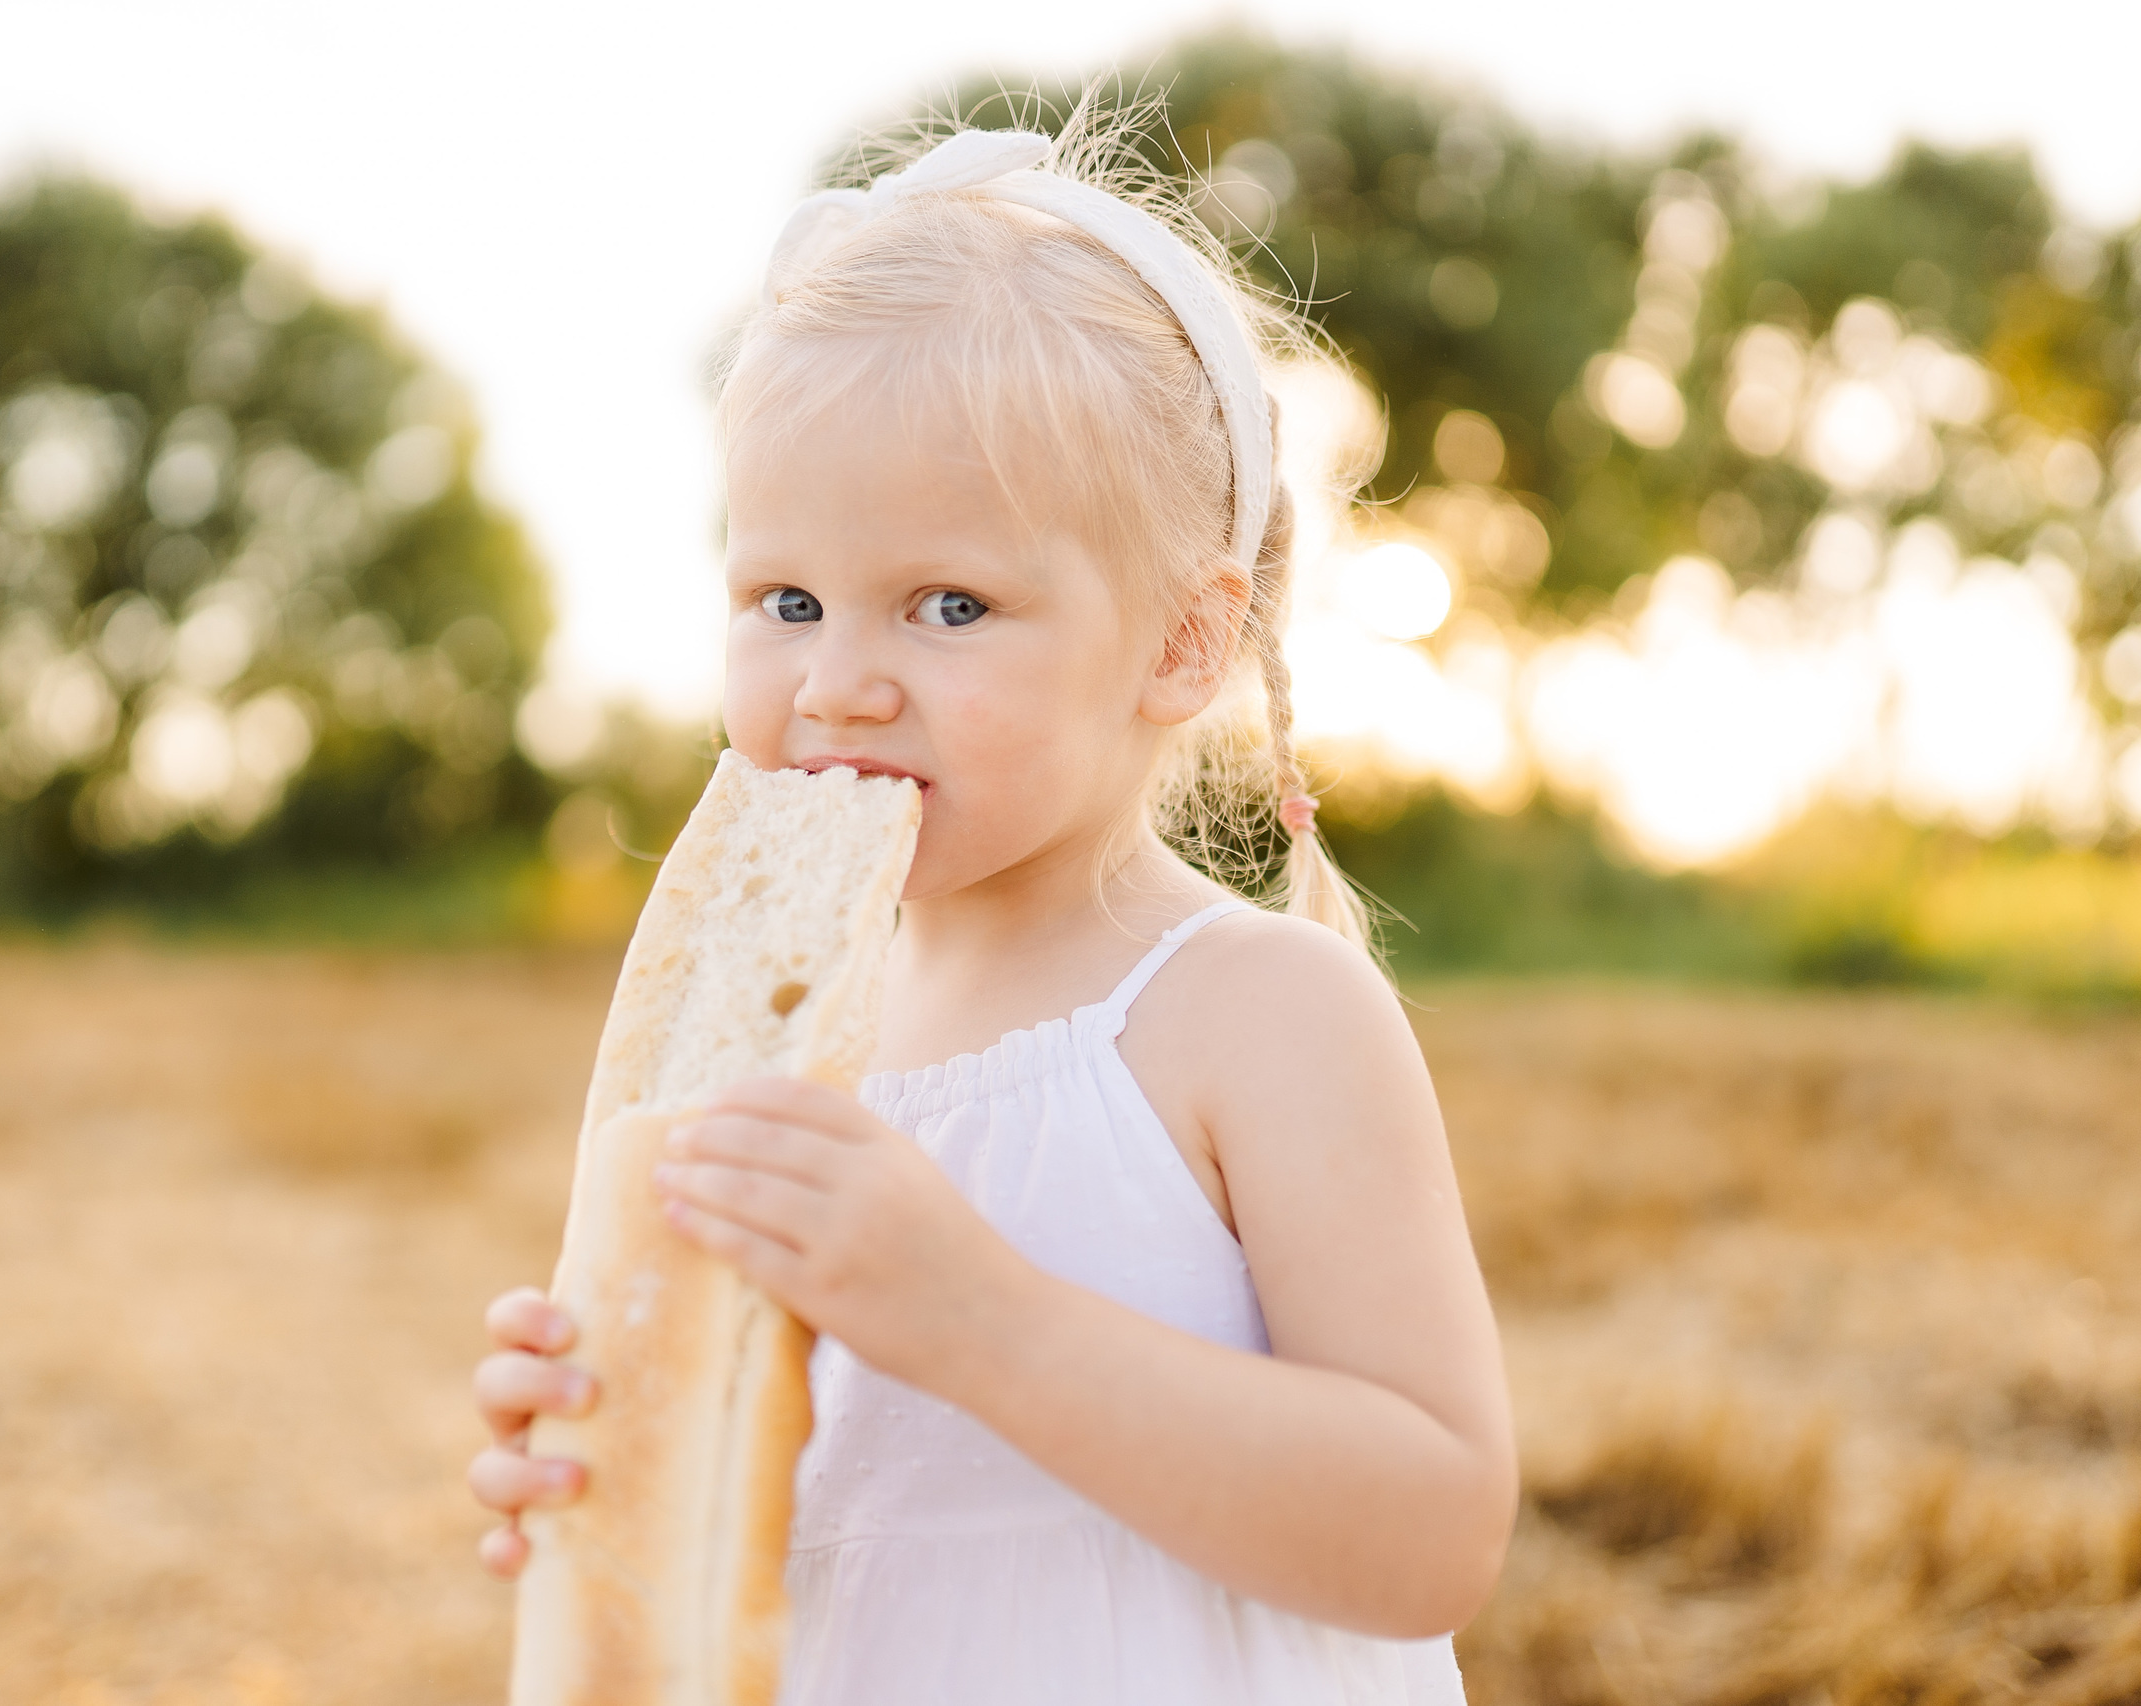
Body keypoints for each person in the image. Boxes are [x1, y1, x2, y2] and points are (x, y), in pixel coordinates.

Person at [469, 105, 1516, 1704]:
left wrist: (981, 1320)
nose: (838, 684)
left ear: (1180, 640)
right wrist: (597, 1448)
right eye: (786, 599)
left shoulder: (1250, 1013)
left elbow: (1432, 1527)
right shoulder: (761, 1041)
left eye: (949, 604)